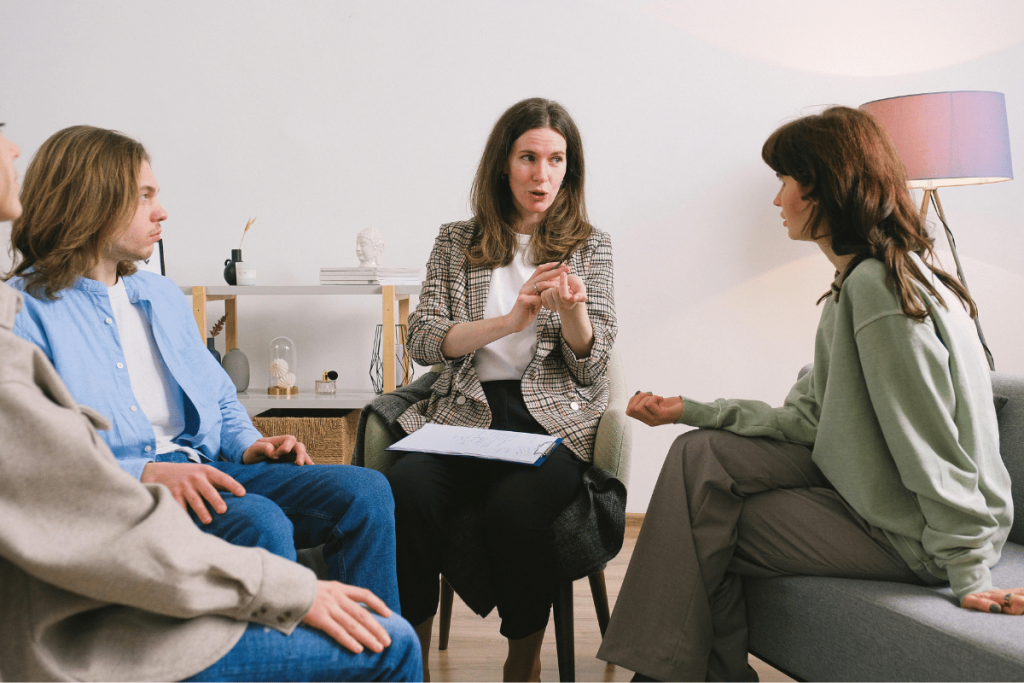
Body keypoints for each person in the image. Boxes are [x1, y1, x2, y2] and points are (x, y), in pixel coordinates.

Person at [597, 105, 1023, 682]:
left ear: (825, 188)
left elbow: (932, 443)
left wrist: (970, 572)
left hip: (919, 535)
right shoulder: (861, 281)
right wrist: (689, 410)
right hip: (883, 504)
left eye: (784, 182)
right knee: (699, 455)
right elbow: (807, 419)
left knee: (701, 522)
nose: (777, 201)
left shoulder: (879, 291)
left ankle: (680, 676)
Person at [0, 120, 420, 682]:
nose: (162, 211)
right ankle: (277, 663)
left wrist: (250, 445)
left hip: (207, 466)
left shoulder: (160, 296)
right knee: (258, 519)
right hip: (128, 491)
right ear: (92, 201)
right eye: (144, 196)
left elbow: (219, 397)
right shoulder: (25, 313)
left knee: (365, 490)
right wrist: (144, 470)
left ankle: (362, 654)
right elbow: (46, 467)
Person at [385, 97, 616, 682]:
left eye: (556, 160)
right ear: (502, 164)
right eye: (528, 158)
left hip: (549, 423)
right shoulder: (456, 241)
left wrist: (575, 315)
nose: (542, 175)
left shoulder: (590, 244)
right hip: (466, 414)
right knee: (404, 487)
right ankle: (408, 647)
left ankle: (523, 658)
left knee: (516, 508)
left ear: (571, 168)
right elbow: (424, 339)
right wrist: (509, 322)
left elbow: (591, 367)